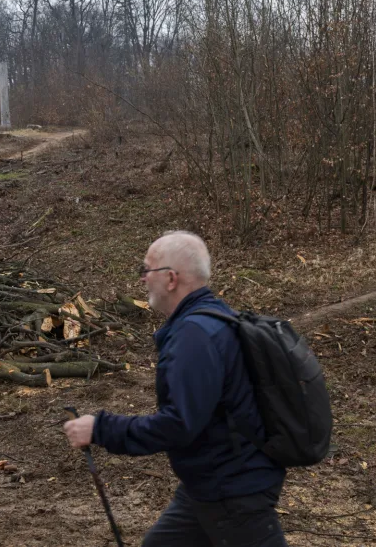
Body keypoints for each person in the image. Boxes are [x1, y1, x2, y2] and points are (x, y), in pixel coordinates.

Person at [63, 230, 288, 546]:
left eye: (146, 271)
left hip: (234, 491)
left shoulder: (194, 336)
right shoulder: (213, 316)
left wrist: (100, 428)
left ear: (170, 279)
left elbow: (179, 425)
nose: (142, 280)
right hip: (210, 483)